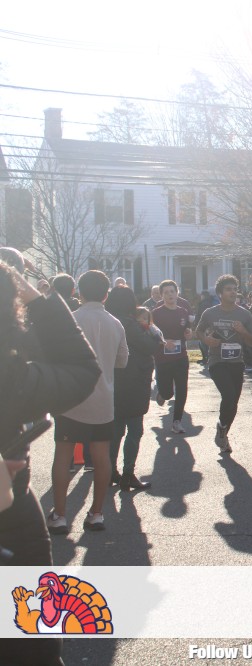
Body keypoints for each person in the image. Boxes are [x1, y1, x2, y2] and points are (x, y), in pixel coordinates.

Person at [0, 257, 100, 666]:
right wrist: (35, 297)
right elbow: (81, 369)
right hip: (10, 515)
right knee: (31, 643)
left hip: (14, 507)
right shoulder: (10, 372)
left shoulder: (13, 370)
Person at [49, 270, 129, 533]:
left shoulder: (69, 320)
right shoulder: (115, 323)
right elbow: (122, 361)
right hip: (103, 398)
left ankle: (60, 514)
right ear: (106, 294)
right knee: (101, 455)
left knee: (63, 454)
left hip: (70, 397)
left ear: (79, 293)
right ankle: (96, 513)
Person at [105, 287, 161, 491]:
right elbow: (150, 346)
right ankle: (128, 474)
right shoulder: (131, 325)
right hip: (135, 380)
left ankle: (110, 471)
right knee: (135, 430)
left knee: (115, 430)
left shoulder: (107, 322)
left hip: (112, 380)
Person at [196, 275, 252, 453]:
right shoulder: (210, 313)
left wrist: (242, 331)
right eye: (228, 289)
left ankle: (223, 432)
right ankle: (222, 430)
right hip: (217, 361)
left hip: (237, 361)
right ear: (220, 293)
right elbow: (198, 331)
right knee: (229, 395)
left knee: (234, 402)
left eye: (235, 289)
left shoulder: (244, 314)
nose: (233, 292)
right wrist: (206, 340)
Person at [152, 280, 193, 434]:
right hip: (163, 358)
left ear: (177, 293)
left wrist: (188, 333)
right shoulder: (156, 313)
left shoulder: (183, 311)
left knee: (182, 388)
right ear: (161, 296)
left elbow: (187, 329)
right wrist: (163, 341)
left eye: (172, 291)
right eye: (166, 292)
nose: (170, 295)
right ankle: (162, 394)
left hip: (181, 356)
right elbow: (150, 333)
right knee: (168, 393)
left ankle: (177, 421)